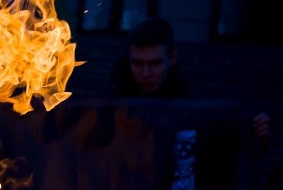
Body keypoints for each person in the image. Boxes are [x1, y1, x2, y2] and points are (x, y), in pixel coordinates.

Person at [110, 16, 271, 140]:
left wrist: (255, 134)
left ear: (173, 58)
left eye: (155, 63)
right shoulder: (108, 109)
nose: (145, 73)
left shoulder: (193, 111)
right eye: (138, 64)